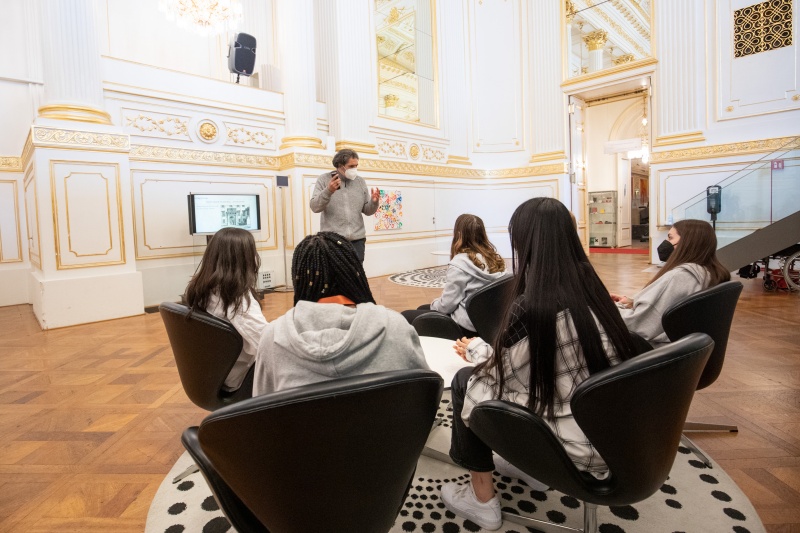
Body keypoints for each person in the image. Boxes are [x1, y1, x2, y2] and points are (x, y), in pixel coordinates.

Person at [440, 198, 637, 531]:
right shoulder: (593, 287)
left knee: (465, 381)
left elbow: (501, 374)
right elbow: (548, 366)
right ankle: (527, 466)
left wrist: (475, 349)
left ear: (524, 240)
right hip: (613, 430)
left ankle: (482, 498)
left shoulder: (534, 306)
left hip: (575, 441)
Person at [253, 231, 429, 395]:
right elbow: (424, 394)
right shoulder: (396, 327)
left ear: (299, 279)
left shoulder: (271, 338)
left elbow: (262, 410)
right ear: (355, 273)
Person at [611, 219, 731, 344]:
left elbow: (637, 325)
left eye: (670, 238)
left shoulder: (680, 277)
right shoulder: (710, 273)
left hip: (653, 348)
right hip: (682, 347)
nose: (666, 243)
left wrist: (607, 307)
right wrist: (631, 302)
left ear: (686, 243)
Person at [183, 227, 267, 391]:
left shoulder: (203, 290)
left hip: (217, 373)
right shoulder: (236, 301)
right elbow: (267, 343)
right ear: (246, 260)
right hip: (242, 378)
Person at [401, 214, 508, 337]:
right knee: (421, 308)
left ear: (459, 234)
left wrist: (434, 304)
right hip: (487, 325)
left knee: (406, 315)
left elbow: (446, 306)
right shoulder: (496, 260)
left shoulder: (460, 263)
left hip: (464, 328)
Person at [309, 149, 380, 262]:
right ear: (340, 166)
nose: (354, 169)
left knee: (356, 277)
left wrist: (374, 202)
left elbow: (367, 210)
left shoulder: (360, 182)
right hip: (332, 241)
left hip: (357, 240)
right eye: (351, 166)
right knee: (335, 278)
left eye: (356, 166)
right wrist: (329, 191)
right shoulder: (324, 180)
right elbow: (315, 207)